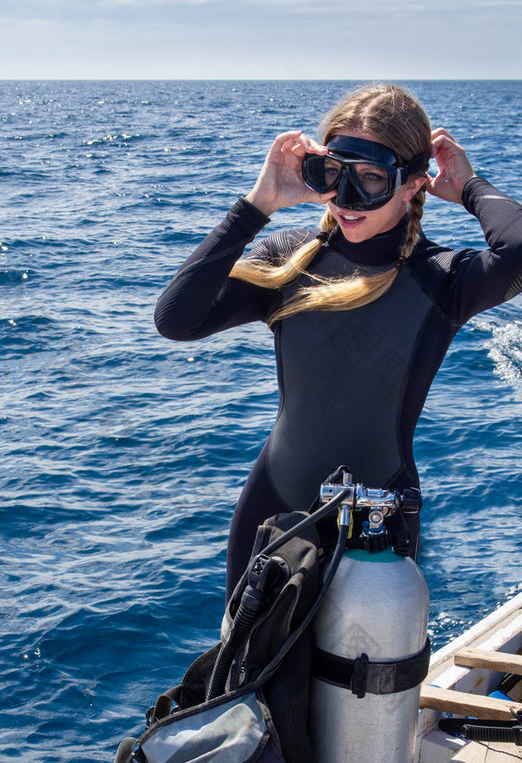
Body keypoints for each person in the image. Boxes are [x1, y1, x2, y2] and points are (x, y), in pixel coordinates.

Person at [154, 83, 522, 601]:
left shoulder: (440, 280)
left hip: (380, 528)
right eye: (334, 173)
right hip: (271, 514)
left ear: (414, 183)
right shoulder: (289, 259)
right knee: (245, 674)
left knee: (364, 679)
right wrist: (258, 203)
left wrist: (467, 185)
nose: (347, 199)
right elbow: (176, 320)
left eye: (372, 179)